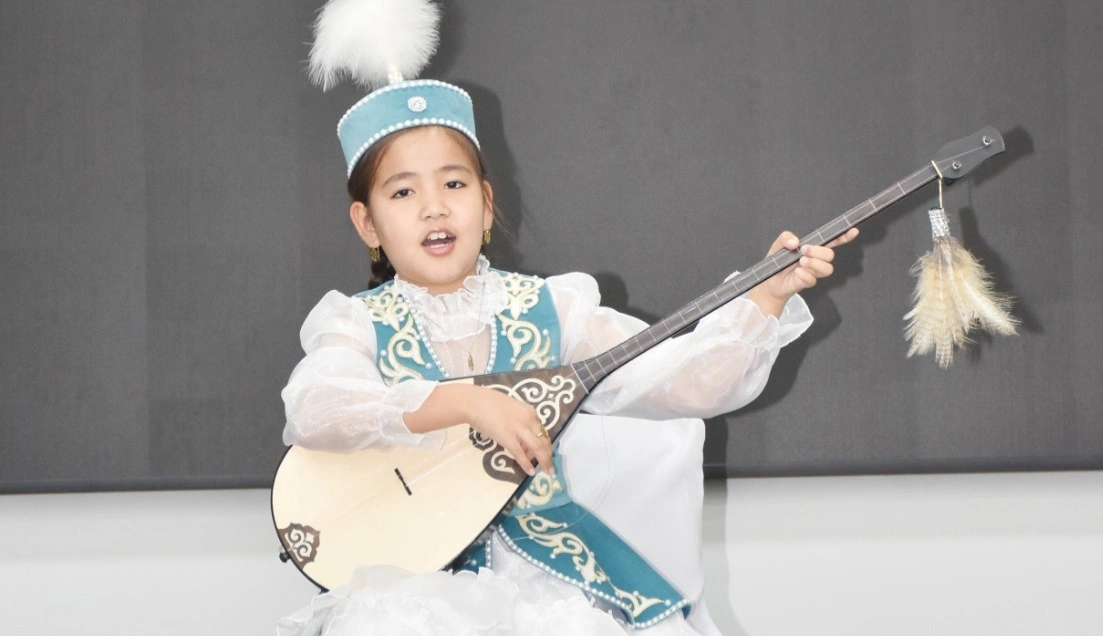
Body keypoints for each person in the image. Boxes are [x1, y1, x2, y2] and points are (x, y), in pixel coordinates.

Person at [277, 2, 857, 634]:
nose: (434, 209)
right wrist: (467, 403)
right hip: (415, 584)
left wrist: (765, 298)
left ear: (486, 202)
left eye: (454, 185)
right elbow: (315, 408)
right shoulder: (357, 322)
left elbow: (684, 383)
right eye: (403, 192)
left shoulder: (550, 310)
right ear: (367, 223)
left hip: (552, 584)